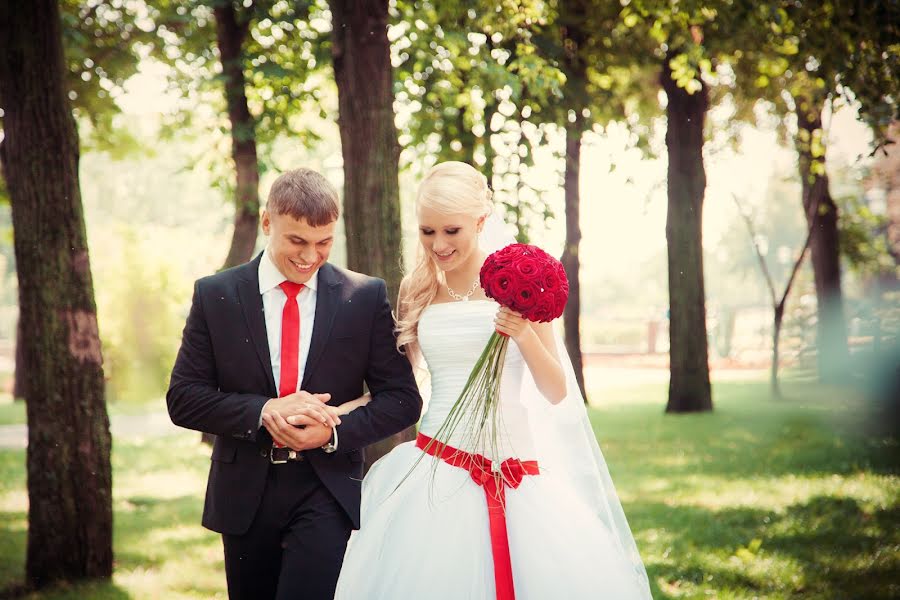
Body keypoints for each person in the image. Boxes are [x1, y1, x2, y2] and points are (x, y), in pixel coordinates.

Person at [334, 161, 653, 599]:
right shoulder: (417, 288)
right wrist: (338, 410)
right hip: (436, 463)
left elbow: (556, 390)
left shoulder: (518, 283)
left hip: (514, 468)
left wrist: (523, 334)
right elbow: (398, 387)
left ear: (480, 221)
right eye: (427, 232)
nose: (438, 244)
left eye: (451, 231)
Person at [166, 168, 422, 600]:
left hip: (326, 488)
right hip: (245, 492)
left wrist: (334, 432)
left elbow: (402, 400)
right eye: (297, 241)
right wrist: (263, 410)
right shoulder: (216, 295)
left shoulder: (363, 297)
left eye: (323, 242)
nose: (310, 256)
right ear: (268, 223)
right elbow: (183, 398)